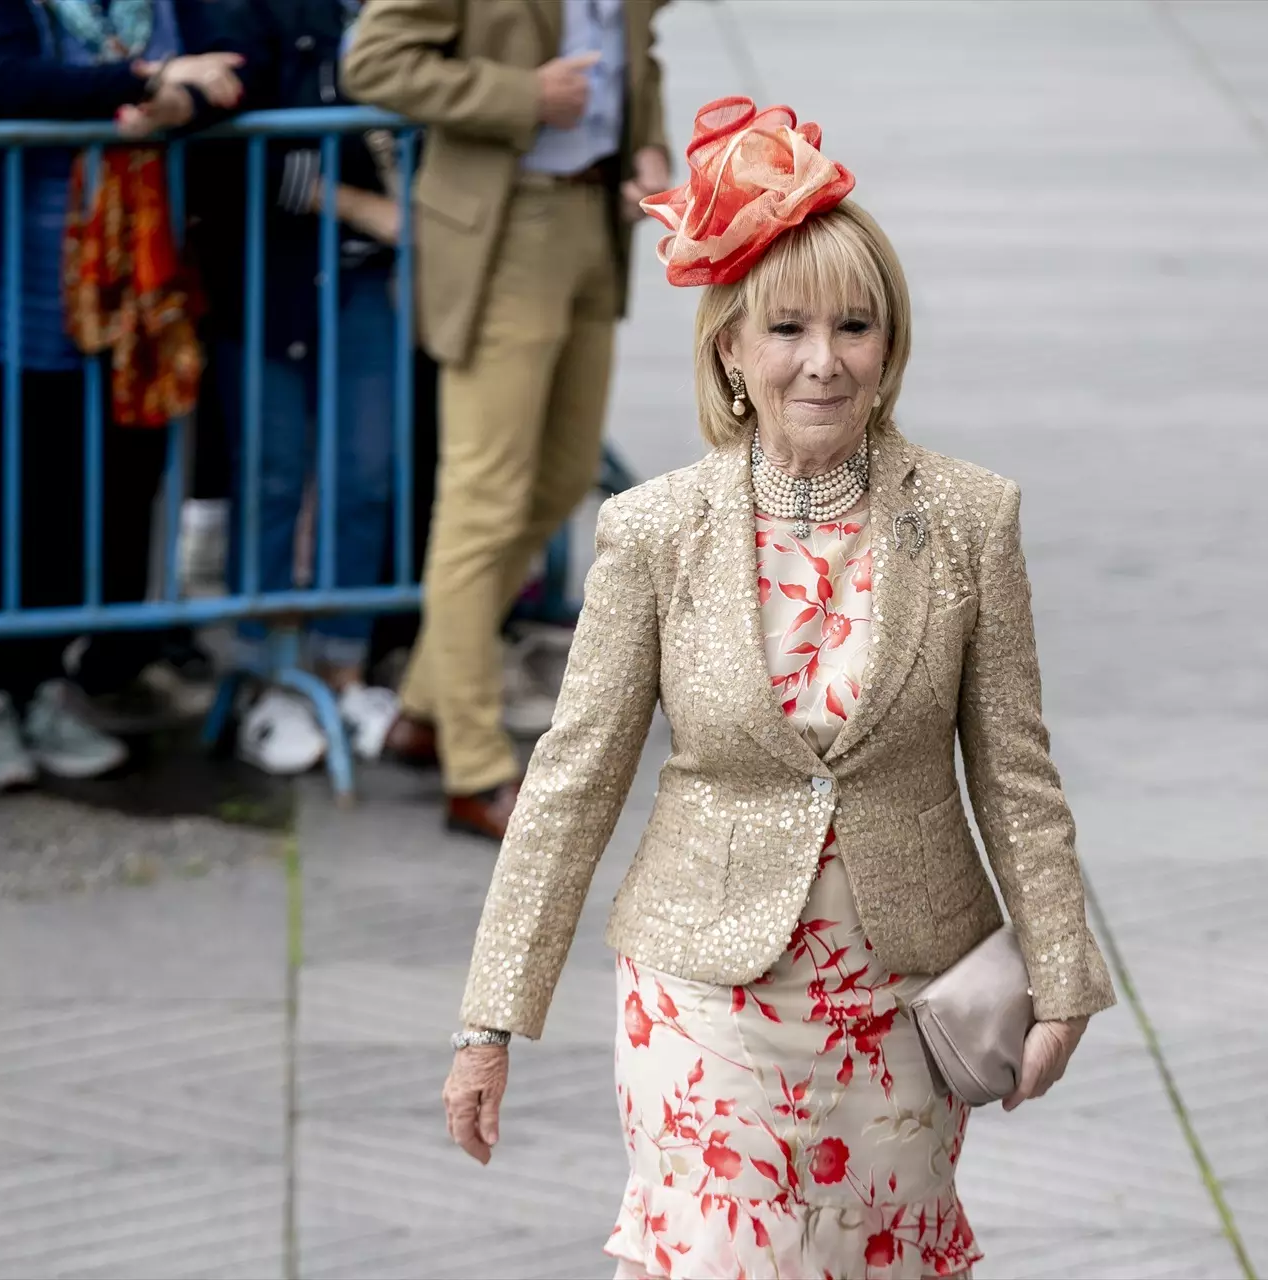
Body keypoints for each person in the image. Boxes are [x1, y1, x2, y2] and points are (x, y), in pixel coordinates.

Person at [438, 99, 1118, 1279]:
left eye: (855, 326)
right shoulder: (656, 531)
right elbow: (571, 783)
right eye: (788, 327)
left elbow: (1014, 767)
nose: (824, 357)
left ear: (890, 345)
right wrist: (488, 1018)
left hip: (901, 996)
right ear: (730, 351)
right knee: (718, 1256)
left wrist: (1062, 972)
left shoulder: (967, 519)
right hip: (701, 987)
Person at [342, 0, 669, 839]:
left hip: (595, 220)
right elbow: (373, 63)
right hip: (501, 224)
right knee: (482, 502)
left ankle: (422, 705)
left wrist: (649, 146)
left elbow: (640, 46)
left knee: (562, 479)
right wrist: (518, 94)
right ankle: (474, 765)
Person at [0, 0, 242, 793]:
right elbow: (2, 82)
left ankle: (50, 684)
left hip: (137, 306)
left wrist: (179, 98)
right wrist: (149, 79)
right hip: (14, 297)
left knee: (98, 507)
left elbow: (228, 71)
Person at [186, 0, 404, 774]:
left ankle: (343, 661)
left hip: (367, 282)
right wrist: (365, 206)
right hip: (266, 274)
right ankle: (262, 666)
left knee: (367, 471)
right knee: (271, 473)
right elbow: (247, 144)